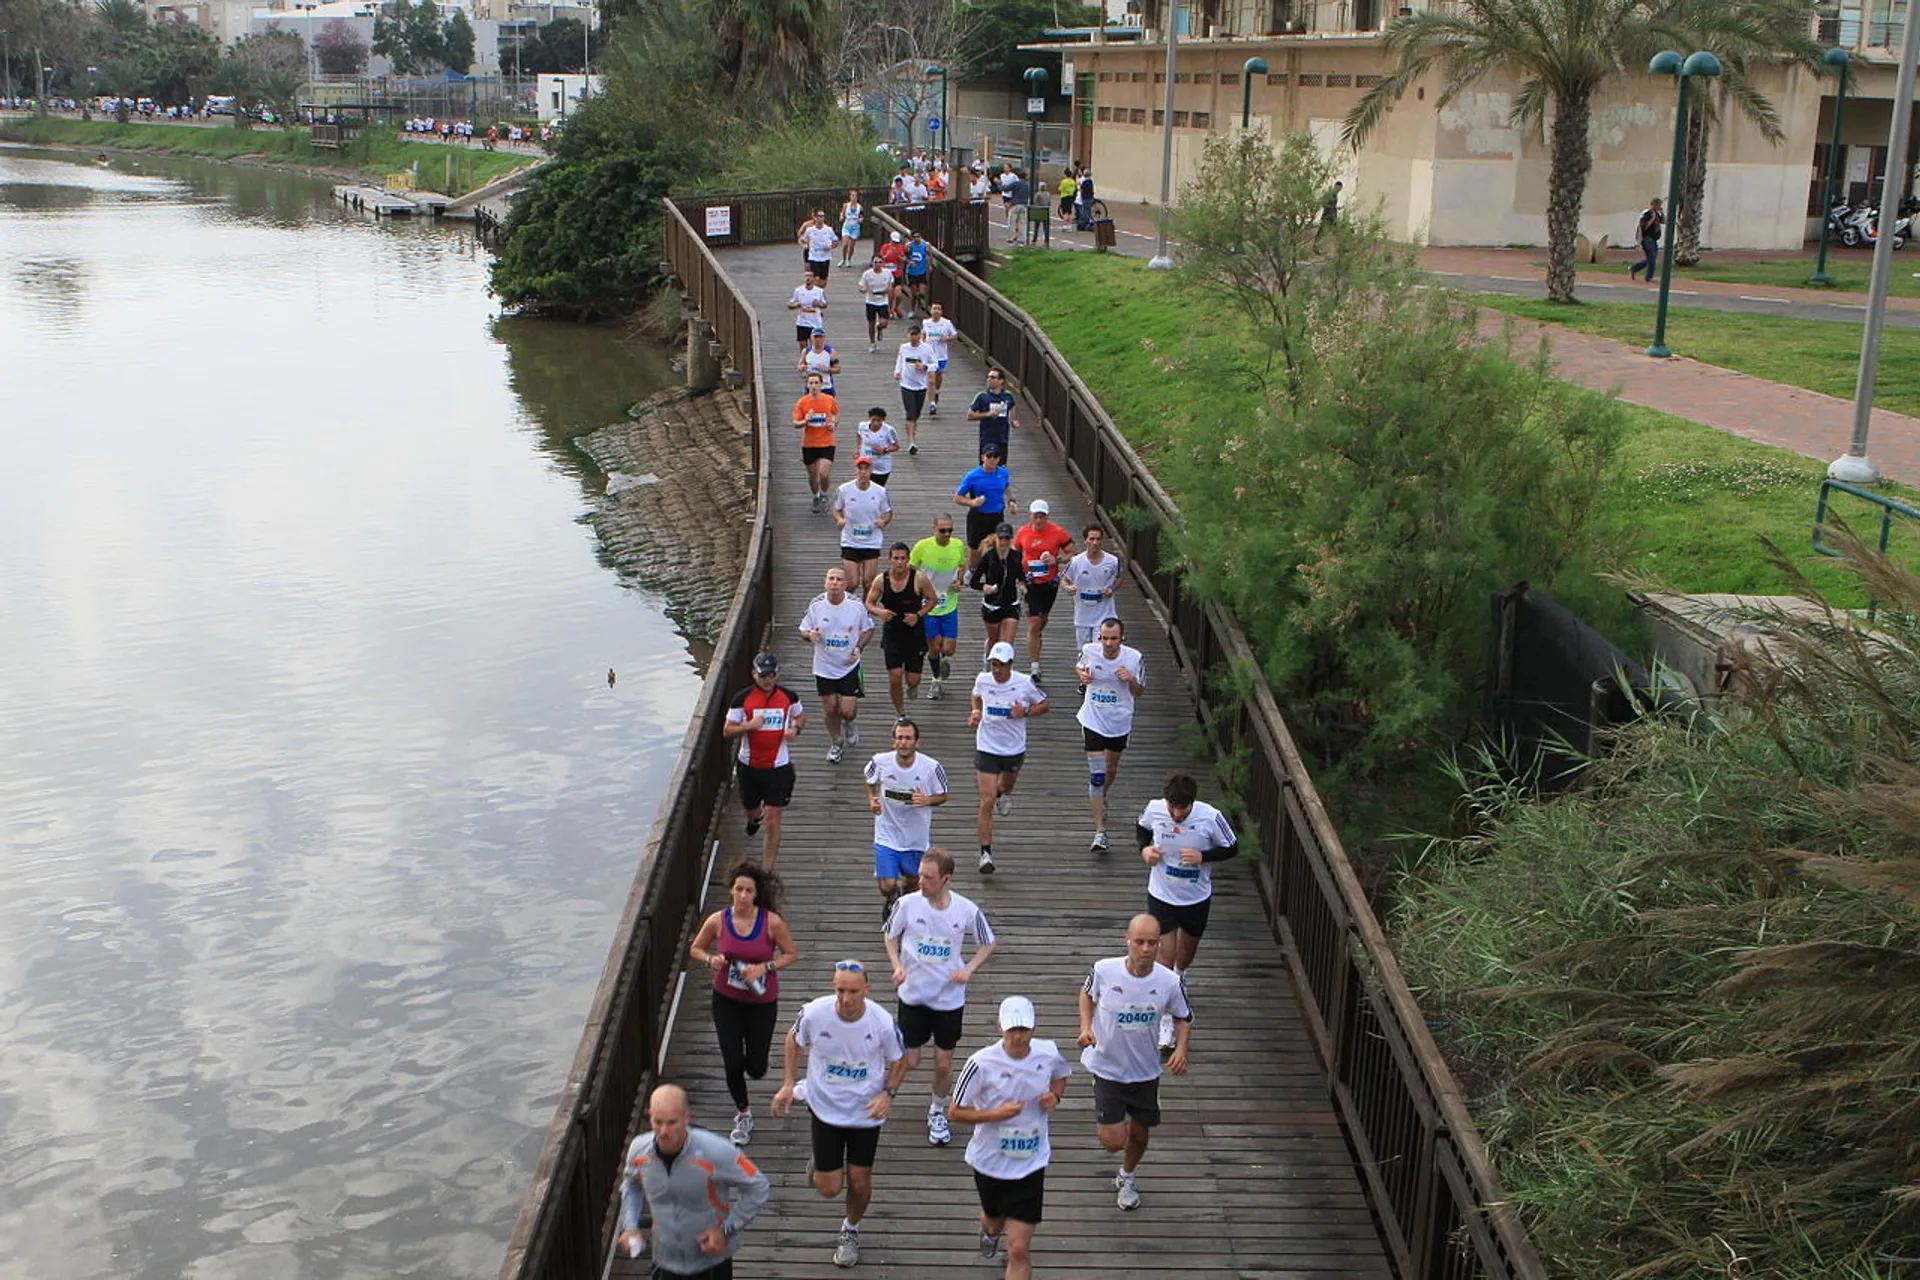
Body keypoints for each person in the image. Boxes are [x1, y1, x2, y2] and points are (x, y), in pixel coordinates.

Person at [771, 959, 910, 1270]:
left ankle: (850, 1229)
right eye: (840, 990)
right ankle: (821, 1165)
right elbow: (793, 1041)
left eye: (853, 992)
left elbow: (901, 1060)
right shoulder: (815, 1013)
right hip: (825, 1108)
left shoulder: (882, 1023)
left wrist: (888, 1094)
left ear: (867, 989)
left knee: (859, 1182)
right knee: (830, 1188)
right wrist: (788, 1083)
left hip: (865, 1113)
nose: (846, 999)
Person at [950, 995, 1072, 1277]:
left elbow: (1060, 1075)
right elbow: (955, 1112)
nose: (1018, 1037)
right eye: (1012, 1030)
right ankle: (988, 1230)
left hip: (1031, 1160)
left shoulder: (1048, 1052)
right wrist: (995, 1114)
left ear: (1033, 1028)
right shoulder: (980, 1063)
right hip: (990, 1160)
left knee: (1018, 1248)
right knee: (994, 1220)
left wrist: (1055, 1096)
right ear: (1000, 1028)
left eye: (1023, 1030)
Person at [1076, 914, 1190, 1212]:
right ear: (1128, 940)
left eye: (1152, 943)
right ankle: (1113, 1124)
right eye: (1139, 942)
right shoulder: (1104, 971)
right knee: (1112, 1141)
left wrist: (1181, 1049)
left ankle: (1127, 1176)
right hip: (1107, 1067)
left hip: (1145, 1071)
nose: (1146, 949)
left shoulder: (1169, 981)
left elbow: (1183, 1017)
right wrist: (1086, 1028)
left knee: (1140, 1134)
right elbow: (1086, 995)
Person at [884, 849, 998, 1146]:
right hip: (913, 996)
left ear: (946, 879)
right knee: (909, 1060)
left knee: (944, 1063)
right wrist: (897, 966)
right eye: (920, 875)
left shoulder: (966, 911)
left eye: (928, 877)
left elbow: (989, 942)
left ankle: (937, 1110)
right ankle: (883, 1099)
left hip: (948, 999)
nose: (921, 881)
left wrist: (969, 969)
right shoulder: (906, 905)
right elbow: (889, 934)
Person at [688, 863, 800, 1145]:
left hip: (762, 1001)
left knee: (757, 1066)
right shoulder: (718, 920)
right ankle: (743, 1112)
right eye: (738, 889)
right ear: (731, 891)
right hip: (726, 998)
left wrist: (766, 967)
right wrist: (709, 960)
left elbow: (790, 954)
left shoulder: (771, 922)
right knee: (732, 1059)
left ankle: (756, 1066)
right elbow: (695, 947)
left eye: (748, 891)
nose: (742, 895)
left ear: (756, 894)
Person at [618, 1084, 770, 1277]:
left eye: (672, 1122)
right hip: (665, 1261)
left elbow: (758, 1185)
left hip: (710, 1262)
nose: (664, 1131)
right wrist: (630, 1225)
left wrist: (726, 1230)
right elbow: (631, 1184)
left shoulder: (715, 1151)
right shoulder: (638, 1151)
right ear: (650, 1117)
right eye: (658, 1122)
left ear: (686, 1118)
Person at [1137, 772, 1237, 1047]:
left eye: (1182, 808)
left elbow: (1232, 848)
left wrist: (1203, 856)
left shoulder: (1210, 817)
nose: (1177, 813)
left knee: (1185, 957)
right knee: (1165, 959)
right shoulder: (1155, 809)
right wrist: (1144, 850)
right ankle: (1167, 1021)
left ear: (1192, 803)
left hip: (1195, 897)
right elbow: (1142, 829)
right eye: (1173, 807)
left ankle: (1180, 980)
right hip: (1162, 894)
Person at [968, 640, 1048, 874]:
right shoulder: (983, 679)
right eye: (993, 664)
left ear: (1011, 664)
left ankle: (1003, 793)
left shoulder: (1024, 683)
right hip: (987, 747)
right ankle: (985, 853)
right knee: (986, 801)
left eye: (1001, 665)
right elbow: (976, 696)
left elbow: (1045, 704)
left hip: (1013, 748)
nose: (997, 669)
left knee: (1005, 787)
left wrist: (1025, 712)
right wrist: (975, 711)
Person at [723, 651, 805, 866]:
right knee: (752, 810)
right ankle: (753, 818)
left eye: (771, 675)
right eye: (763, 676)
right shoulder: (742, 699)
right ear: (753, 674)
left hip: (779, 767)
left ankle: (767, 871)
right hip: (749, 767)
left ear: (777, 674)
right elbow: (727, 731)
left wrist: (795, 729)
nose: (767, 680)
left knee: (773, 818)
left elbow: (799, 715)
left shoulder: (789, 697)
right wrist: (748, 725)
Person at [863, 718, 950, 916]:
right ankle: (892, 898)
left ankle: (900, 906)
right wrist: (872, 798)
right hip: (887, 833)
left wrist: (928, 800)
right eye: (899, 738)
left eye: (908, 738)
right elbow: (869, 779)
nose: (903, 742)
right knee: (886, 884)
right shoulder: (880, 761)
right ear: (893, 741)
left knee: (913, 882)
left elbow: (944, 795)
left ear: (916, 742)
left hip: (915, 839)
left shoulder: (931, 767)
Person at [1076, 618, 1146, 853]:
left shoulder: (1133, 658)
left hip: (1119, 721)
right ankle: (1100, 832)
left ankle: (1101, 796)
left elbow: (1140, 691)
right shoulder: (1090, 651)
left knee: (1110, 769)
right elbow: (1080, 666)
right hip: (1093, 718)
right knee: (1097, 774)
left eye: (1113, 639)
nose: (1108, 643)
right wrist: (1082, 677)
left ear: (1121, 638)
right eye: (1104, 638)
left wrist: (1130, 679)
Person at [798, 566, 875, 764]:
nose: (834, 583)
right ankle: (836, 741)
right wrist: (810, 636)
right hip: (824, 666)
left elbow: (868, 630)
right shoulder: (816, 605)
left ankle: (849, 724)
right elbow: (803, 630)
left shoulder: (856, 605)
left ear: (845, 584)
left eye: (839, 579)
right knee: (831, 710)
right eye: (831, 579)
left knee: (847, 711)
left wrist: (858, 648)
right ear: (825, 582)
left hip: (849, 666)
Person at [866, 543, 937, 715]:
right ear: (890, 559)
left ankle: (912, 686)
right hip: (892, 632)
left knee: (913, 679)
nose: (899, 562)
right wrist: (880, 612)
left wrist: (918, 615)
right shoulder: (881, 580)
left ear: (908, 559)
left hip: (914, 632)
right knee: (895, 676)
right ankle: (900, 713)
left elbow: (932, 600)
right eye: (896, 558)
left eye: (903, 558)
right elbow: (869, 603)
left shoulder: (919, 579)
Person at [1010, 500, 1074, 682]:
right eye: (1035, 516)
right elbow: (1015, 556)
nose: (1039, 520)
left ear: (1047, 517)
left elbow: (1073, 553)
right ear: (1030, 516)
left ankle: (1036, 637)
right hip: (1030, 583)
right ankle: (1034, 667)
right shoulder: (1023, 532)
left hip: (1050, 583)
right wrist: (1019, 581)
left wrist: (1057, 559)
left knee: (1042, 619)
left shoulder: (1058, 532)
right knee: (1034, 622)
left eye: (1042, 517)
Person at [909, 516, 967, 700]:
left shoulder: (957, 545)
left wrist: (959, 581)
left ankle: (945, 660)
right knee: (934, 647)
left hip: (949, 603)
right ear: (933, 529)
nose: (947, 534)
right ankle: (936, 681)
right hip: (928, 606)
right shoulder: (922, 547)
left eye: (950, 530)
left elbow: (961, 566)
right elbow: (910, 569)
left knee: (948, 648)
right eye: (942, 531)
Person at [832, 456, 893, 592]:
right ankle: (849, 608)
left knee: (868, 583)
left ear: (872, 470)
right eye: (860, 468)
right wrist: (840, 519)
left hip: (871, 541)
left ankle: (866, 610)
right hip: (850, 540)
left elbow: (888, 512)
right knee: (852, 583)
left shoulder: (880, 492)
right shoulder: (844, 489)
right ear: (856, 470)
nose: (863, 472)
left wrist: (883, 521)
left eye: (867, 468)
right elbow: (836, 509)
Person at [954, 446, 1014, 572]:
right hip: (978, 515)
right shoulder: (972, 476)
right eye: (989, 456)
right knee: (975, 548)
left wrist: (1011, 500)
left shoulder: (1003, 473)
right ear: (983, 457)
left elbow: (1006, 486)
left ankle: (994, 572)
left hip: (997, 515)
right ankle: (972, 571)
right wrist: (972, 502)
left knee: (997, 544)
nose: (992, 460)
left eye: (995, 457)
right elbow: (958, 497)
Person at [1063, 525, 1123, 648]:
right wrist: (1068, 588)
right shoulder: (1076, 562)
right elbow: (1064, 579)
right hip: (1082, 616)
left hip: (1105, 614)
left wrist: (1112, 588)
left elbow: (1120, 577)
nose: (1095, 543)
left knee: (1100, 650)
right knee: (1084, 652)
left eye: (1098, 539)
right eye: (1092, 539)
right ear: (1085, 540)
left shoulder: (1112, 561)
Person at [792, 371, 839, 514]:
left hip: (827, 442)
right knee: (812, 475)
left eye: (816, 383)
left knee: (824, 474)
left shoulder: (829, 400)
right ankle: (816, 495)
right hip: (809, 444)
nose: (813, 386)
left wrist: (834, 424)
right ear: (807, 385)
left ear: (821, 384)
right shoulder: (802, 403)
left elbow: (836, 414)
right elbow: (795, 423)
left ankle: (824, 495)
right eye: (811, 383)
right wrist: (805, 420)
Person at [892, 323, 937, 455]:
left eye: (915, 335)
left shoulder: (926, 349)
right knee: (910, 413)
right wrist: (897, 371)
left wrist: (924, 367)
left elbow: (935, 364)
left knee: (916, 414)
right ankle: (911, 442)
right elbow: (900, 360)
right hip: (906, 384)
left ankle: (912, 431)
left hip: (920, 385)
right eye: (911, 334)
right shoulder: (904, 347)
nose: (913, 337)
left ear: (920, 335)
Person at [967, 368, 1019, 466]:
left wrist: (1013, 420)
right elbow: (969, 415)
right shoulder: (982, 396)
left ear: (1001, 380)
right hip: (987, 437)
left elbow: (1012, 406)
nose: (989, 379)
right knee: (986, 466)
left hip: (1002, 437)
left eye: (993, 377)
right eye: (988, 377)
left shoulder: (1007, 396)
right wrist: (988, 414)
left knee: (1002, 466)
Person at [920, 301, 958, 417]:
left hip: (941, 354)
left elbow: (955, 335)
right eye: (934, 309)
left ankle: (936, 391)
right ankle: (932, 403)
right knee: (931, 378)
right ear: (931, 311)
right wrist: (922, 343)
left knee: (938, 375)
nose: (936, 311)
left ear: (941, 312)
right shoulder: (926, 323)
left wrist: (946, 338)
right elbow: (923, 335)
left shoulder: (946, 323)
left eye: (938, 309)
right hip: (929, 355)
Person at [855, 407, 901, 486]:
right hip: (865, 463)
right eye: (873, 420)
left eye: (879, 420)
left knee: (878, 488)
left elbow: (897, 446)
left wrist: (885, 450)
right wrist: (857, 449)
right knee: (864, 486)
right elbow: (858, 435)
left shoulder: (889, 430)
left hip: (881, 466)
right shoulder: (862, 426)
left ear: (883, 420)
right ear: (869, 419)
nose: (876, 423)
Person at [858, 254, 894, 353]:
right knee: (871, 322)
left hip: (883, 301)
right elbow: (861, 286)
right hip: (870, 301)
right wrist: (864, 289)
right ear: (872, 263)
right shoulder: (867, 274)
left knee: (884, 322)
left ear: (883, 263)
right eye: (875, 262)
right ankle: (872, 342)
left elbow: (890, 286)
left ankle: (880, 328)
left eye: (879, 262)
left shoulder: (887, 273)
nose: (877, 264)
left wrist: (888, 292)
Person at [788, 270, 829, 350]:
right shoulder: (798, 290)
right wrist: (796, 305)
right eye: (806, 276)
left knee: (815, 344)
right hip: (802, 322)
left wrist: (818, 304)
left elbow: (825, 305)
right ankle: (805, 361)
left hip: (815, 322)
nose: (808, 278)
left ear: (814, 278)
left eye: (810, 276)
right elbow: (790, 304)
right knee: (803, 345)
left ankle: (813, 359)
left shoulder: (819, 291)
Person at [799, 208, 840, 281]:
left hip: (825, 257)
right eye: (820, 216)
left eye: (823, 216)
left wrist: (831, 247)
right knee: (816, 279)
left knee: (823, 281)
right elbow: (801, 239)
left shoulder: (828, 230)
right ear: (815, 217)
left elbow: (836, 241)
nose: (822, 218)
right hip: (813, 257)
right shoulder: (810, 230)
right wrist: (804, 246)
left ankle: (819, 291)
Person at [1630, 196, 1663, 283]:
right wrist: (1652, 218)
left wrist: (1661, 213)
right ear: (1653, 205)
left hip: (1654, 239)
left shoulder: (1657, 214)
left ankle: (1634, 268)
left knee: (1652, 258)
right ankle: (1649, 277)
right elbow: (1644, 227)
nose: (1659, 207)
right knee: (1651, 257)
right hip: (1647, 239)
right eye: (1658, 205)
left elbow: (1663, 221)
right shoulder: (1647, 213)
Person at [798, 329, 841, 396]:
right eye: (815, 337)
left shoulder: (830, 352)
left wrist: (827, 369)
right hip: (811, 387)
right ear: (811, 338)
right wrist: (802, 367)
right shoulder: (806, 351)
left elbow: (838, 369)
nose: (818, 339)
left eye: (820, 337)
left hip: (826, 387)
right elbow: (799, 365)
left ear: (824, 338)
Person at [877, 231, 908, 318]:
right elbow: (880, 258)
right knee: (890, 294)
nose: (895, 244)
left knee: (898, 294)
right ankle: (890, 310)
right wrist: (888, 254)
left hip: (897, 273)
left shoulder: (900, 248)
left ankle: (896, 307)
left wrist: (897, 254)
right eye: (894, 242)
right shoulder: (885, 247)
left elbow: (903, 259)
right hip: (887, 274)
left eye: (896, 242)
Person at [903, 229, 932, 316]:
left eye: (918, 237)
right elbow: (904, 256)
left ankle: (921, 302)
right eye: (914, 237)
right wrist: (909, 262)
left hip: (922, 271)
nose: (917, 239)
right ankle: (912, 310)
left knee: (922, 292)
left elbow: (930, 255)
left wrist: (929, 265)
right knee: (914, 293)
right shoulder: (909, 246)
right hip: (911, 272)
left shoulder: (925, 245)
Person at [838, 190, 865, 268]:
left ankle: (848, 260)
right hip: (847, 226)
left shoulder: (860, 207)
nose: (854, 197)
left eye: (855, 196)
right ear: (850, 197)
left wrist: (861, 219)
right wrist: (841, 217)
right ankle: (843, 259)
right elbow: (842, 214)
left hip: (855, 227)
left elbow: (861, 216)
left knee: (852, 246)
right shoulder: (846, 205)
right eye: (852, 196)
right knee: (845, 244)